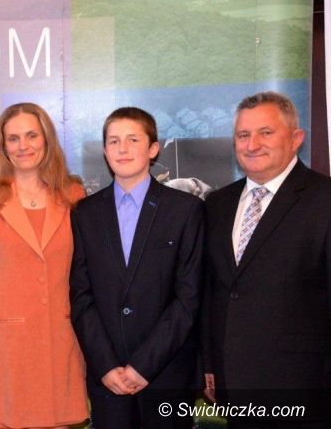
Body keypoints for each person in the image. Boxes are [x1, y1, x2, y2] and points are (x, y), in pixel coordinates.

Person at [201, 91, 331, 428]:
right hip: (233, 385)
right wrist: (210, 363)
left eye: (266, 132)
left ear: (296, 138)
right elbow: (212, 291)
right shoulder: (217, 204)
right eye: (243, 135)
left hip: (304, 390)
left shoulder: (324, 200)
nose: (252, 144)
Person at [0, 102, 88, 429]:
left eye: (31, 135)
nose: (23, 146)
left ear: (47, 139)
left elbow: (87, 276)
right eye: (13, 138)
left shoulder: (73, 193)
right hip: (5, 348)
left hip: (61, 342)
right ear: (2, 146)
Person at [70, 107, 203, 428]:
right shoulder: (85, 213)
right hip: (108, 379)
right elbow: (81, 296)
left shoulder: (186, 210)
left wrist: (144, 365)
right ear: (105, 151)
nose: (123, 149)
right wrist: (105, 365)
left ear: (153, 148)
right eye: (114, 141)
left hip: (167, 375)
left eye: (133, 139)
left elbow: (189, 297)